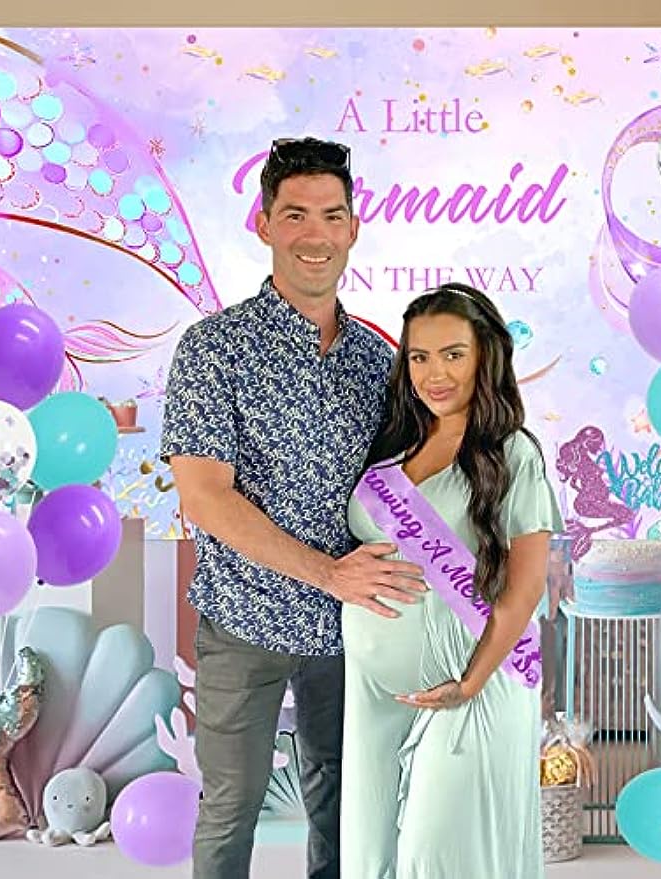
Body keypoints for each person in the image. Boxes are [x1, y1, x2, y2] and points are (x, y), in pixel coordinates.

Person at [160, 136, 425, 879]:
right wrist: (328, 573)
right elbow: (204, 496)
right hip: (244, 621)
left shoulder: (377, 362)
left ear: (353, 227)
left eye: (332, 215)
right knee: (230, 807)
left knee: (347, 811)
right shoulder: (214, 348)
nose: (316, 234)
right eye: (296, 214)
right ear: (264, 224)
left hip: (352, 629)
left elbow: (404, 489)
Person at [340, 283, 563, 879]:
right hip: (373, 693)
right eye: (419, 356)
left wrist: (469, 682)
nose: (434, 374)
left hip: (473, 686)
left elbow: (525, 589)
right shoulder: (397, 443)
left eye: (453, 355)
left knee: (436, 858)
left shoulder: (512, 454)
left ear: (485, 357)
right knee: (370, 858)